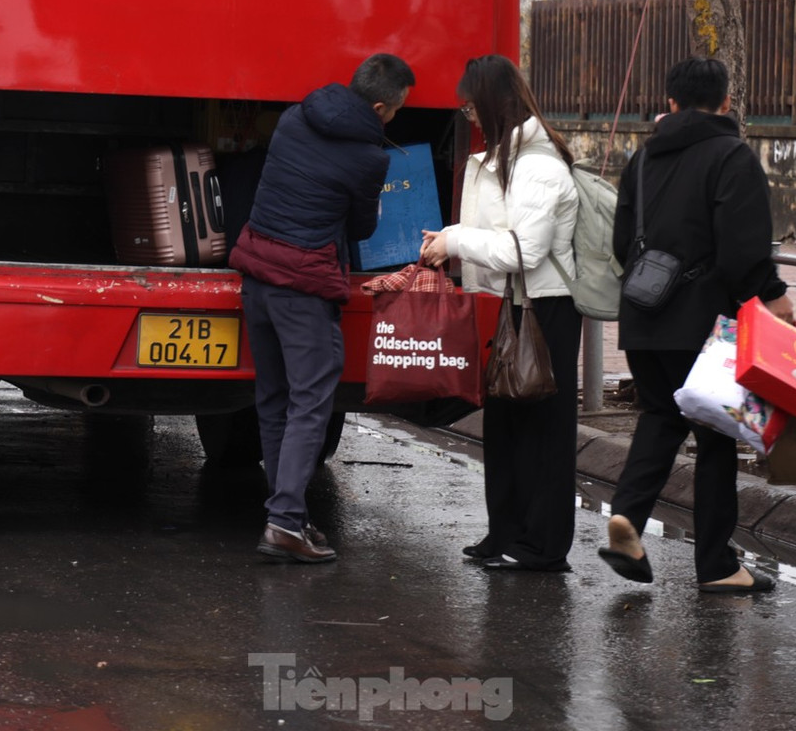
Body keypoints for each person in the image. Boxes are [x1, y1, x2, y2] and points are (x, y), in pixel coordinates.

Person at [600, 56, 795, 593]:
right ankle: (716, 564)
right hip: (703, 326)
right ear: (725, 102)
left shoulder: (641, 161)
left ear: (670, 102)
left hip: (642, 316)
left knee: (660, 417)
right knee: (713, 438)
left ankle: (628, 518)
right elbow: (743, 249)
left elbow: (622, 245)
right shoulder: (731, 155)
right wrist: (772, 295)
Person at [228, 53, 416, 564]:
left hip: (257, 272)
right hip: (303, 286)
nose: (394, 120)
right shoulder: (370, 159)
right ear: (380, 106)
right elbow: (359, 229)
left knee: (272, 399)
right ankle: (285, 523)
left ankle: (285, 512)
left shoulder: (294, 117)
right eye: (395, 112)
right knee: (311, 403)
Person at [420, 54, 581, 572]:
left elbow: (524, 252)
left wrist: (456, 241)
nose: (466, 112)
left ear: (493, 103)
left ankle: (543, 546)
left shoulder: (536, 165)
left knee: (542, 430)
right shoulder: (501, 156)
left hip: (545, 309)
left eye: (471, 103)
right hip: (511, 306)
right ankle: (506, 533)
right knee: (507, 425)